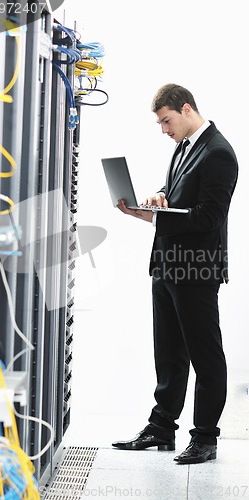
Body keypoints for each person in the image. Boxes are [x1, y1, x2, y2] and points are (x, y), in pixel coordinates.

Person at [112, 83, 238, 464]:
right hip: (168, 265)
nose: (164, 130)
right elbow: (178, 196)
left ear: (186, 109)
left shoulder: (219, 153)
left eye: (166, 121)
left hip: (197, 270)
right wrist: (154, 201)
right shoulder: (185, 147)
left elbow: (209, 217)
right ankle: (162, 426)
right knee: (168, 352)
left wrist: (158, 218)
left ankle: (205, 438)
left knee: (205, 355)